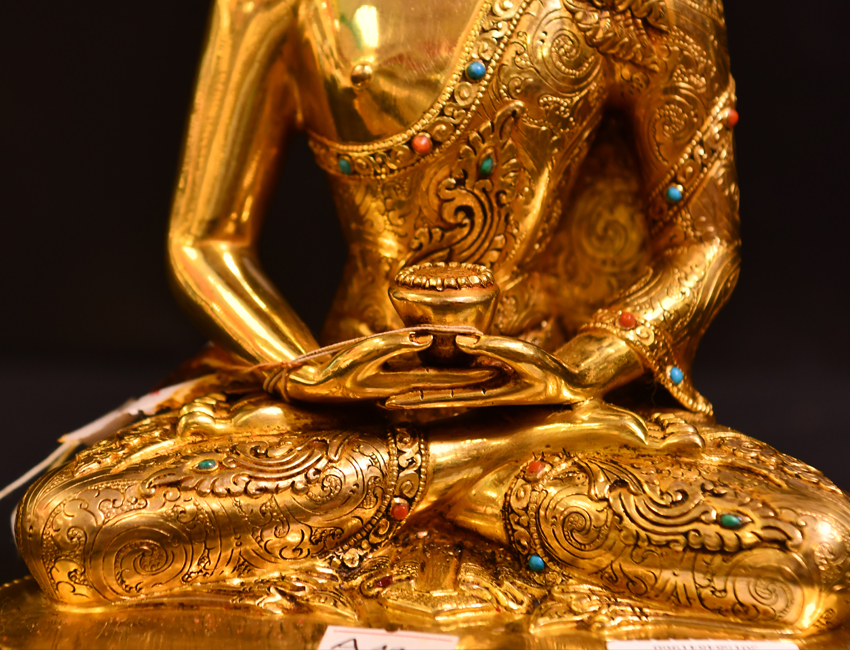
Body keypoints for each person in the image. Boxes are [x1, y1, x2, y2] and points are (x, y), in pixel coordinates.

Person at [16, 0, 850, 634]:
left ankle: (425, 479)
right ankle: (464, 471)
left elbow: (704, 250)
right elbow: (205, 244)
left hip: (546, 410)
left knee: (815, 550)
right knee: (68, 530)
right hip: (340, 414)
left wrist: (570, 376)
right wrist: (309, 375)